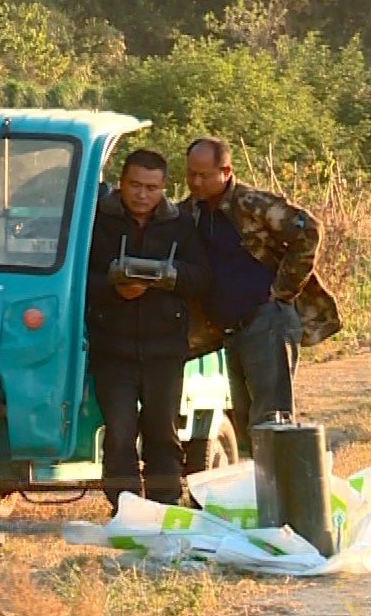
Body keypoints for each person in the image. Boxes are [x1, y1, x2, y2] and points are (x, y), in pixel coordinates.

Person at [181, 136, 341, 452]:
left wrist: (282, 291)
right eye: (190, 174)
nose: (196, 182)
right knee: (245, 424)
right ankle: (255, 492)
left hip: (266, 321)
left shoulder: (252, 204)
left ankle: (278, 495)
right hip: (230, 330)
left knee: (270, 421)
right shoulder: (192, 212)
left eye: (204, 175)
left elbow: (309, 230)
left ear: (225, 171)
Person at [86, 148, 212, 512]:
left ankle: (166, 506)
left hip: (164, 350)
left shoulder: (181, 223)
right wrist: (115, 286)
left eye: (152, 187)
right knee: (120, 434)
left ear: (164, 188)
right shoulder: (96, 221)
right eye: (135, 185)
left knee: (162, 432)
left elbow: (202, 277)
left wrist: (165, 277)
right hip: (113, 349)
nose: (142, 195)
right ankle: (126, 509)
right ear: (121, 182)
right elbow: (75, 280)